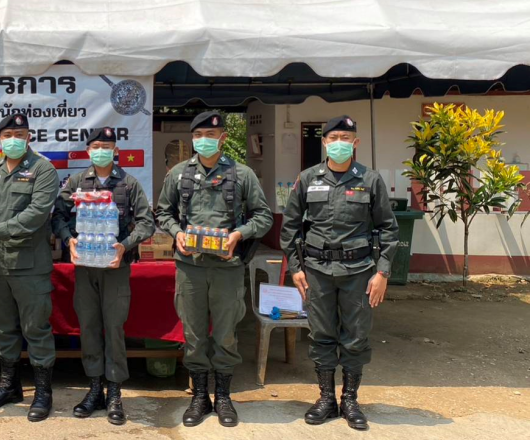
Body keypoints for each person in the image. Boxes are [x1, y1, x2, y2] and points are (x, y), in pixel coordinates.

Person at [279, 115, 398, 431]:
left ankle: (350, 400)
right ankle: (326, 399)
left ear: (355, 143)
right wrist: (295, 268)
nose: (339, 143)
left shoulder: (370, 180)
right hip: (317, 271)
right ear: (324, 142)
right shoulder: (307, 178)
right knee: (321, 335)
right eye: (333, 138)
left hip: (359, 271)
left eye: (346, 138)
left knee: (356, 336)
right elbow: (290, 227)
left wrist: (382, 273)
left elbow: (388, 228)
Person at [155, 111, 273, 428]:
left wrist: (239, 235)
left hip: (227, 269)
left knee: (226, 335)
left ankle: (223, 396)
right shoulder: (178, 174)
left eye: (210, 135)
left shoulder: (242, 174)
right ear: (192, 139)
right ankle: (199, 397)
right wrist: (176, 233)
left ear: (222, 138)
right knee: (193, 335)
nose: (204, 140)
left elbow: (263, 217)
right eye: (198, 135)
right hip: (190, 269)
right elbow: (163, 213)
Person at [51, 127, 156, 425]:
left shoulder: (129, 183)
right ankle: (95, 388)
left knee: (114, 327)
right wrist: (68, 239)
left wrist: (125, 245)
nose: (101, 150)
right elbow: (58, 216)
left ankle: (115, 393)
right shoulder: (76, 182)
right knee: (89, 326)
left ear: (116, 150)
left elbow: (147, 223)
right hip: (85, 268)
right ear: (88, 150)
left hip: (115, 268)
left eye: (106, 146)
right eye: (96, 146)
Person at [0, 114, 60, 422]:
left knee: (36, 329)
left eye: (19, 134)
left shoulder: (43, 169)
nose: (13, 139)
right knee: (2, 328)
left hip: (29, 265)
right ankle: (9, 386)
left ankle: (43, 392)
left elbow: (37, 213)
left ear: (28, 137)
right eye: (7, 134)